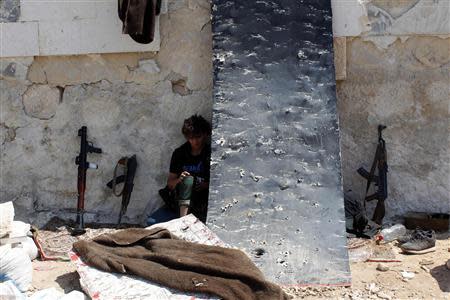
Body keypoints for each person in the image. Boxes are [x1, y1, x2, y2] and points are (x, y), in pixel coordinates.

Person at [166, 115, 211, 223]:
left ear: (205, 134)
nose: (195, 141)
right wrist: (180, 180)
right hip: (180, 200)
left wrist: (205, 184)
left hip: (202, 199)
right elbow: (170, 184)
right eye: (191, 138)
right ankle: (183, 220)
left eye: (198, 137)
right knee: (188, 179)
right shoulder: (180, 153)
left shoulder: (210, 154)